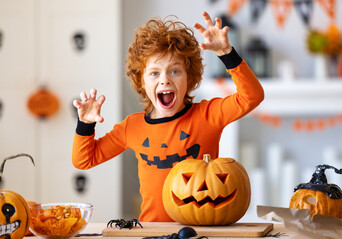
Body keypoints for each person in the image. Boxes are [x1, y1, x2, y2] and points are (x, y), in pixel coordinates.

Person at [72, 11, 264, 222]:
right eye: (154, 73)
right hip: (152, 232)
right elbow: (83, 160)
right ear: (142, 83)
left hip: (200, 231)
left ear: (189, 78)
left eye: (174, 71)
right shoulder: (132, 127)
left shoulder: (207, 115)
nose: (164, 80)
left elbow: (252, 97)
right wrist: (85, 124)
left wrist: (227, 53)